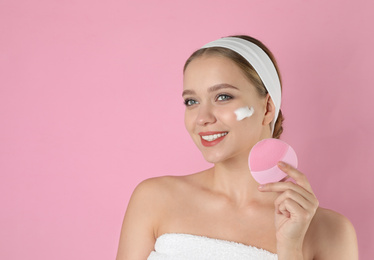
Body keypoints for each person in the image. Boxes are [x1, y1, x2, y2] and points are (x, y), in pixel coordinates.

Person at [116, 35, 358, 259]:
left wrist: (291, 248)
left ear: (267, 108)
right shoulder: (154, 199)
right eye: (191, 101)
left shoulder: (330, 231)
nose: (202, 118)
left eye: (223, 96)